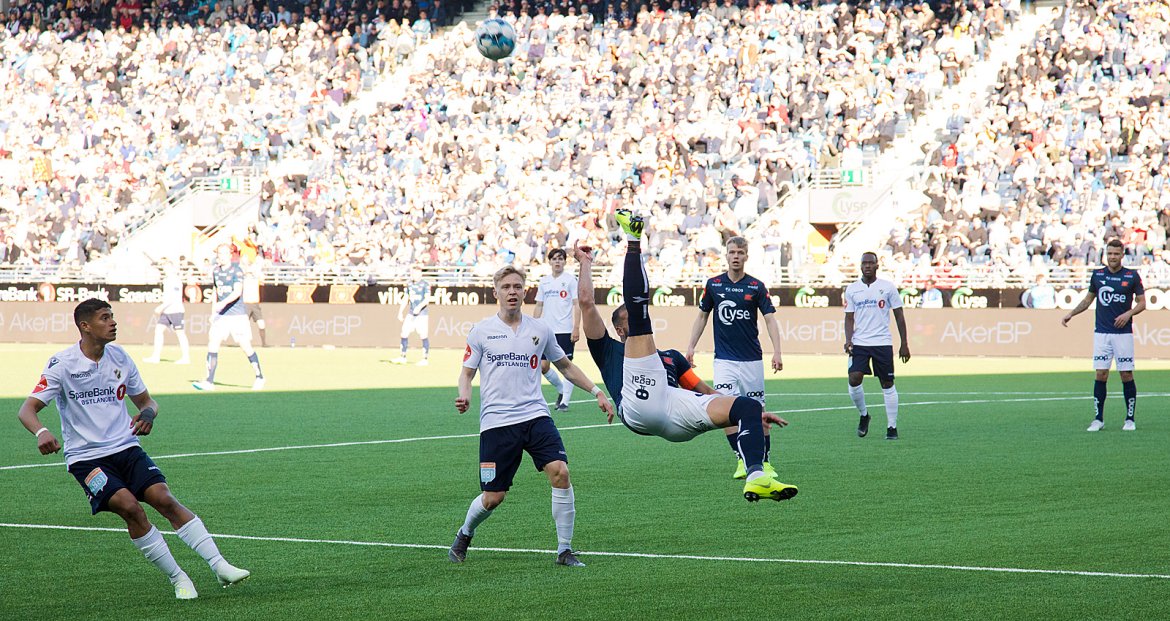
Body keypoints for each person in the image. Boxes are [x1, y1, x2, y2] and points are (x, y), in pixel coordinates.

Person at [16, 299, 250, 600]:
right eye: (104, 318)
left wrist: (148, 415)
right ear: (85, 326)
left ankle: (220, 566)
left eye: (112, 316)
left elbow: (147, 402)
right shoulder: (62, 364)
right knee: (130, 508)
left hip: (126, 446)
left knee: (164, 499)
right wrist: (42, 431)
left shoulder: (120, 357)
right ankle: (179, 579)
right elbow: (27, 410)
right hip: (87, 458)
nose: (112, 322)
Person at [582, 210, 797, 502]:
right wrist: (584, 264)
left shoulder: (671, 358)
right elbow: (585, 303)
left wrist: (747, 413)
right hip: (637, 407)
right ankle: (633, 237)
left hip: (674, 415)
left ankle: (756, 476)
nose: (642, 325)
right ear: (619, 328)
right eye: (629, 322)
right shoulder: (606, 348)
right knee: (639, 310)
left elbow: (705, 392)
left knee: (746, 406)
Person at [449, 265, 613, 568]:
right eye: (507, 287)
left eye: (517, 286)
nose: (512, 292)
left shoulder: (540, 329)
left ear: (525, 291)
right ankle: (465, 533)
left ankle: (565, 550)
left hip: (536, 415)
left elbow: (565, 366)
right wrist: (466, 395)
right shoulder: (481, 330)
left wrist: (596, 392)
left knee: (560, 471)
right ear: (495, 292)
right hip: (497, 422)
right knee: (493, 497)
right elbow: (466, 372)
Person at [685, 236, 785, 480]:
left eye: (740, 252)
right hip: (724, 361)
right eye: (732, 252)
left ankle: (765, 461)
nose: (736, 256)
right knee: (727, 409)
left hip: (751, 360)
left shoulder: (757, 287)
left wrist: (777, 351)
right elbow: (701, 317)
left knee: (758, 411)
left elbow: (770, 319)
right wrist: (691, 347)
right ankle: (741, 459)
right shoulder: (714, 285)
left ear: (746, 256)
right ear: (726, 255)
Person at [1061, 239, 1146, 431]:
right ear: (1106, 255)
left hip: (1123, 334)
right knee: (1101, 374)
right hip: (1102, 333)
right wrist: (1071, 314)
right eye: (1110, 254)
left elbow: (1142, 302)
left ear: (1122, 255)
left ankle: (1129, 419)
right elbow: (1087, 300)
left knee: (1126, 374)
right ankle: (1098, 419)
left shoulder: (1131, 276)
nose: (1113, 257)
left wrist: (1128, 313)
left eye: (1116, 254)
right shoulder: (1098, 275)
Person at [844, 252, 911, 440]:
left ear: (877, 266)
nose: (867, 266)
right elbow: (849, 317)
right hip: (860, 343)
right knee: (854, 378)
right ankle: (864, 415)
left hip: (882, 342)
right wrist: (848, 340)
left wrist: (904, 343)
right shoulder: (852, 289)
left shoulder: (887, 287)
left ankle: (892, 427)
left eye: (870, 263)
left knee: (887, 383)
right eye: (863, 263)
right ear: (860, 266)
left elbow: (899, 315)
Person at [193, 245, 265, 391]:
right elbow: (215, 291)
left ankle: (259, 376)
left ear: (230, 255)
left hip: (237, 315)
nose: (220, 256)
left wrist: (222, 303)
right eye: (219, 254)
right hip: (221, 315)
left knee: (245, 346)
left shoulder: (236, 271)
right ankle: (209, 381)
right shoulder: (216, 271)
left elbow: (237, 292)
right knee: (213, 343)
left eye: (223, 254)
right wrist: (214, 311)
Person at [533, 248, 581, 411]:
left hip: (564, 330)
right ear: (550, 262)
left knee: (566, 366)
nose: (557, 261)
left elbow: (577, 304)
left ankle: (565, 402)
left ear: (565, 261)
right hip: (546, 330)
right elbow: (539, 305)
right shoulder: (544, 281)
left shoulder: (570, 280)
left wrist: (576, 327)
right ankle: (561, 390)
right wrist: (534, 325)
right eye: (554, 259)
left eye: (560, 258)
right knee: (543, 366)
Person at [143, 258, 190, 364]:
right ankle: (156, 356)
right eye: (165, 268)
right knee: (158, 330)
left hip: (175, 311)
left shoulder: (175, 280)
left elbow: (173, 297)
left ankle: (186, 357)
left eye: (168, 267)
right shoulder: (167, 280)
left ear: (173, 268)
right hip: (167, 311)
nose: (166, 270)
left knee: (180, 333)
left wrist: (161, 307)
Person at [393, 268, 430, 365]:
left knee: (423, 335)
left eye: (417, 274)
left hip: (422, 314)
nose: (414, 275)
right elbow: (406, 298)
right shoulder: (409, 284)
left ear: (420, 274)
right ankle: (403, 356)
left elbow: (427, 299)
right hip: (411, 313)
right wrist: (400, 311)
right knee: (404, 333)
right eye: (413, 274)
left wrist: (419, 307)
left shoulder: (425, 285)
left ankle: (425, 359)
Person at [242, 254, 267, 347]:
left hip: (255, 303)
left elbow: (263, 278)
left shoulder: (256, 275)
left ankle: (264, 343)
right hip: (246, 303)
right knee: (244, 324)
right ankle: (244, 342)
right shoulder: (243, 275)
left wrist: (255, 270)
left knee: (261, 323)